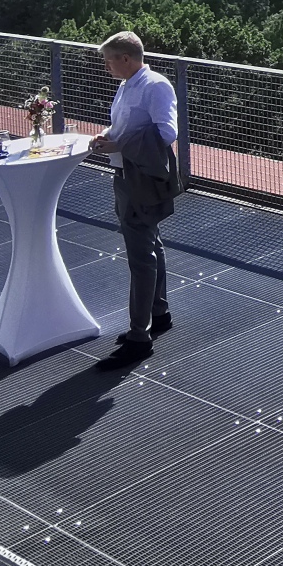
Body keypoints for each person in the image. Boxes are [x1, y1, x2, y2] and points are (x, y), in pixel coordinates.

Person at [88, 30, 179, 369]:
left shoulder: (155, 86)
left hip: (139, 178)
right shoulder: (129, 85)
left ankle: (140, 337)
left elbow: (167, 132)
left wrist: (119, 144)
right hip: (127, 175)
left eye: (109, 60)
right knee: (150, 244)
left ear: (125, 58)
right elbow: (128, 127)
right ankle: (159, 312)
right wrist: (108, 135)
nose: (107, 66)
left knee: (141, 258)